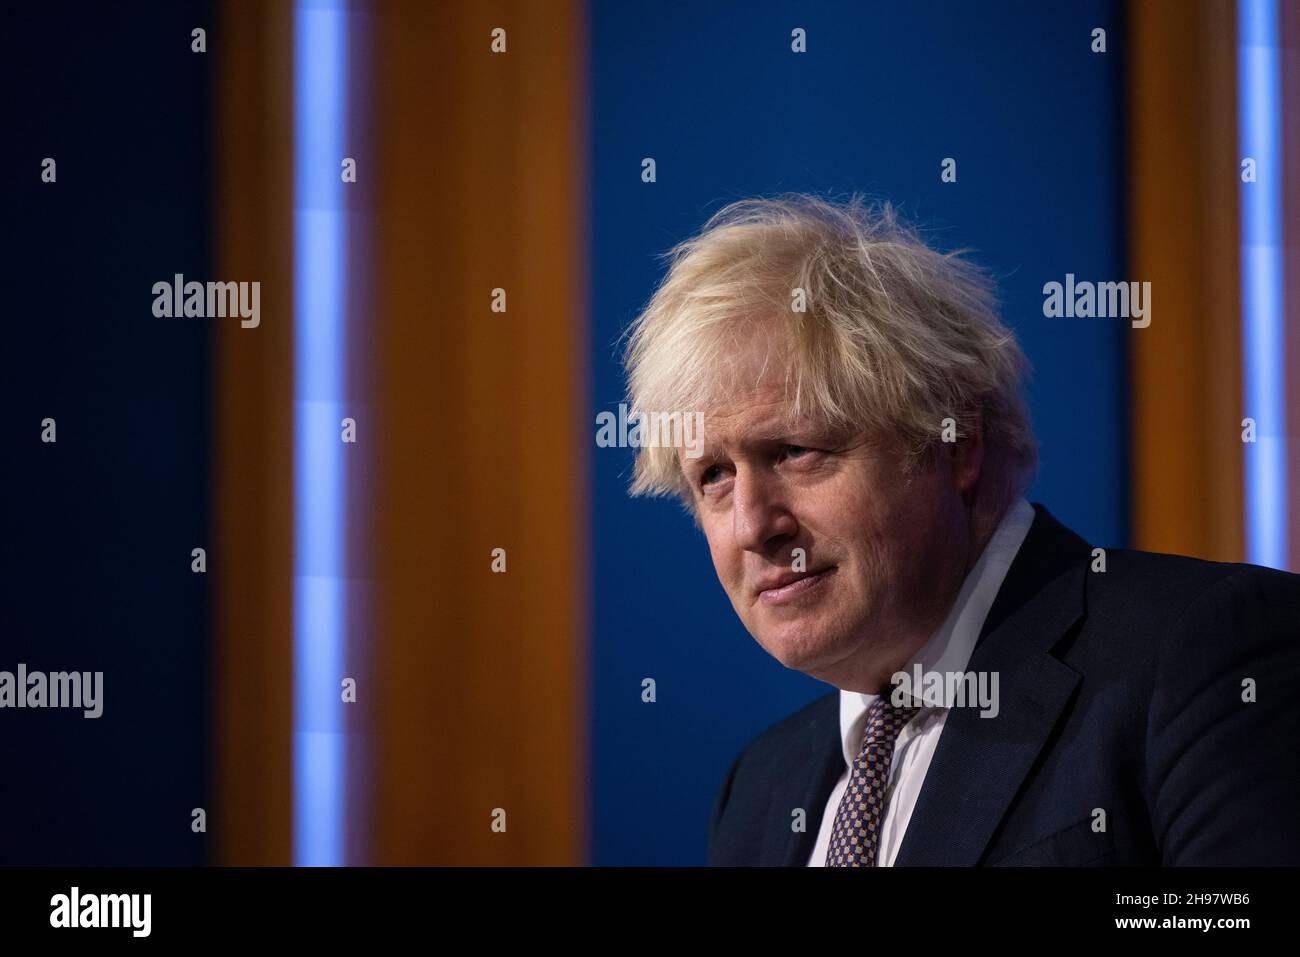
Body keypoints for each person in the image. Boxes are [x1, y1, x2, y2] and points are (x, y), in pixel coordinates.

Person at [620, 193, 1300, 866]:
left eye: (795, 450)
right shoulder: (759, 790)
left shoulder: (1202, 655)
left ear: (956, 443)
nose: (752, 525)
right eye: (713, 475)